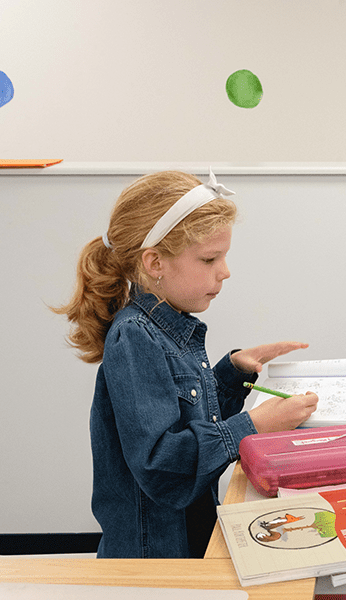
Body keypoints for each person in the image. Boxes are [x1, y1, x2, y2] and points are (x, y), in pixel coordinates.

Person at [53, 169, 319, 558]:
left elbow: (190, 419)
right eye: (210, 258)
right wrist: (253, 425)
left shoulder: (166, 327)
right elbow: (161, 466)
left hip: (188, 538)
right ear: (155, 262)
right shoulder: (136, 339)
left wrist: (233, 374)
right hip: (158, 557)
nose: (225, 271)